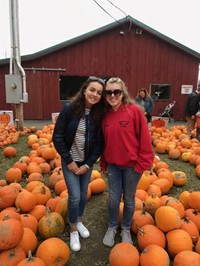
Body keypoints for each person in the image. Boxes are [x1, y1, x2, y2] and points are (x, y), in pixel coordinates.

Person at [53, 76, 106, 252]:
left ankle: (79, 219)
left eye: (99, 92)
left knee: (83, 194)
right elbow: (58, 136)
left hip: (86, 163)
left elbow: (99, 143)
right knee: (74, 196)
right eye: (92, 90)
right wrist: (68, 161)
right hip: (70, 161)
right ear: (84, 90)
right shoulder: (69, 109)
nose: (95, 94)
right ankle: (73, 229)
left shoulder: (99, 114)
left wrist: (89, 164)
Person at [100, 77, 154, 247]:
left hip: (132, 167)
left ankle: (125, 229)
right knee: (114, 199)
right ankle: (112, 227)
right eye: (109, 92)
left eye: (116, 91)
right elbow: (104, 142)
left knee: (129, 200)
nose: (112, 95)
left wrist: (142, 164)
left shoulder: (134, 111)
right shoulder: (105, 115)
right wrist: (103, 164)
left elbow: (145, 139)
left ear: (123, 93)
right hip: (114, 166)